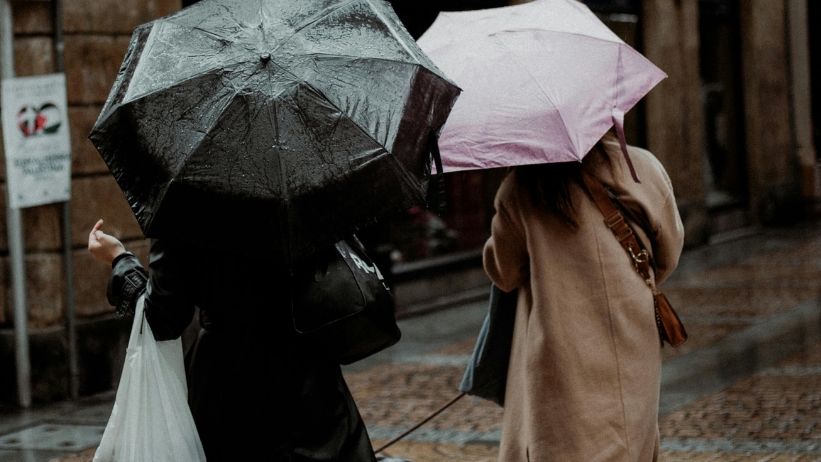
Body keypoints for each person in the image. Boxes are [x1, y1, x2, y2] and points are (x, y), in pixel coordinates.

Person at [88, 221, 377, 462]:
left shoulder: (187, 206)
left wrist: (120, 260)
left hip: (228, 377)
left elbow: (164, 316)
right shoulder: (296, 189)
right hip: (305, 364)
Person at [483, 135, 685, 461]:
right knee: (630, 437)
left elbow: (505, 273)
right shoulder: (641, 167)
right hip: (632, 335)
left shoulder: (521, 187)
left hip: (560, 351)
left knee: (565, 445)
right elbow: (668, 254)